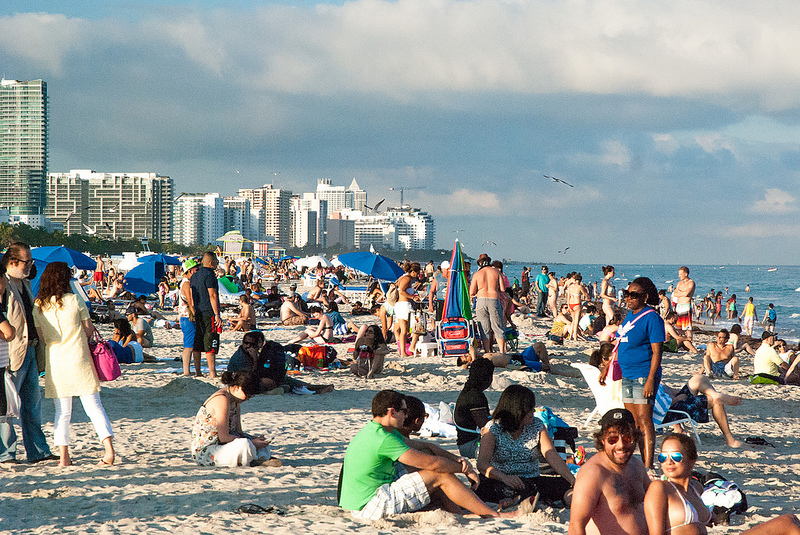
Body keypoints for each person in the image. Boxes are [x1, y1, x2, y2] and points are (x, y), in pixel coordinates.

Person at [339, 390, 523, 521]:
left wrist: (459, 460)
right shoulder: (383, 439)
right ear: (391, 412)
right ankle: (493, 515)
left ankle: (461, 509)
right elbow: (433, 465)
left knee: (428, 459)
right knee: (439, 475)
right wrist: (464, 470)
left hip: (366, 496)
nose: (406, 416)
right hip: (368, 506)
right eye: (404, 411)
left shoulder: (378, 430)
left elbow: (426, 446)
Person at [32, 262, 115, 467]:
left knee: (62, 412)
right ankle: (109, 451)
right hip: (79, 357)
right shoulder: (75, 300)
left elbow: (41, 337)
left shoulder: (39, 305)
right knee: (94, 407)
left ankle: (64, 457)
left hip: (56, 361)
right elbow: (88, 330)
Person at [0, 243, 56, 464]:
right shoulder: (3, 283)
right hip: (11, 352)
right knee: (8, 407)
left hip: (30, 349)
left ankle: (37, 451)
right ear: (12, 262)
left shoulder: (25, 283)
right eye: (27, 261)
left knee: (32, 406)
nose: (31, 265)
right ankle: (6, 453)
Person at [476, 385, 575, 507]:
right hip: (500, 479)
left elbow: (551, 454)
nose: (533, 412)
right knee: (496, 489)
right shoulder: (493, 428)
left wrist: (572, 480)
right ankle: (519, 501)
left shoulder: (537, 425)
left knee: (562, 485)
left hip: (531, 479)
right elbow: (482, 464)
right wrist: (505, 478)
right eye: (529, 409)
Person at [568, 408, 650, 535]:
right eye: (613, 439)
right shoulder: (593, 473)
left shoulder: (636, 465)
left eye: (627, 438)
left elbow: (655, 498)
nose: (621, 445)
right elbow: (576, 526)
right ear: (603, 440)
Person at [615, 277, 665, 471]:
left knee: (644, 419)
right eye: (627, 294)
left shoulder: (652, 318)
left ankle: (648, 466)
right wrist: (607, 366)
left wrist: (651, 379)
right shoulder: (630, 316)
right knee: (632, 421)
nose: (628, 298)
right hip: (627, 373)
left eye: (633, 295)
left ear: (645, 297)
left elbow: (657, 352)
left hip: (643, 373)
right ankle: (640, 461)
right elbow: (620, 343)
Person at [191, 370, 280, 467]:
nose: (248, 398)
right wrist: (252, 443)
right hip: (208, 451)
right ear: (238, 387)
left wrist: (255, 439)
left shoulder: (235, 401)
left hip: (223, 445)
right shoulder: (221, 399)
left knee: (260, 444)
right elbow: (224, 437)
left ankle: (256, 459)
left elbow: (238, 432)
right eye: (248, 395)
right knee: (245, 444)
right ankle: (253, 460)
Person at [644, 434, 710, 534]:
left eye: (676, 456)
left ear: (691, 461)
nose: (668, 462)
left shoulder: (696, 488)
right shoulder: (659, 488)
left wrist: (710, 514)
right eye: (663, 457)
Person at [454, 357, 494, 458]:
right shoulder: (474, 396)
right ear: (488, 378)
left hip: (467, 443)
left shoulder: (470, 391)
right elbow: (485, 426)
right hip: (471, 445)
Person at [191, 251, 221, 379]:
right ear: (211, 262)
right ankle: (212, 372)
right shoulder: (210, 275)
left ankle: (198, 371)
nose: (217, 264)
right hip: (208, 311)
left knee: (198, 341)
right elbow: (212, 295)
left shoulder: (194, 275)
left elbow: (192, 297)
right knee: (210, 340)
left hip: (198, 311)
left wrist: (193, 311)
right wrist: (217, 314)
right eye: (216, 262)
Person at [469, 254, 506, 354]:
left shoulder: (477, 274)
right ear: (489, 261)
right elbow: (503, 289)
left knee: (484, 328)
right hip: (494, 299)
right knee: (498, 327)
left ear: (480, 263)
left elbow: (471, 292)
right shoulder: (496, 272)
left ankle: (487, 352)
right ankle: (502, 352)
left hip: (481, 301)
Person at [178, 259, 201, 376]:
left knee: (193, 345)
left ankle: (195, 371)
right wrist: (196, 315)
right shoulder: (186, 283)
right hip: (188, 317)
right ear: (191, 271)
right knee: (189, 346)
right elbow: (191, 302)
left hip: (185, 317)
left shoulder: (186, 282)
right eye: (196, 269)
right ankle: (186, 371)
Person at [393, 262, 422, 358]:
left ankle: (403, 352)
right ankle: (411, 347)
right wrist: (412, 297)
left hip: (400, 306)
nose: (418, 275)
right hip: (404, 305)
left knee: (404, 330)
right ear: (413, 271)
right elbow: (401, 291)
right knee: (417, 326)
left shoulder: (403, 277)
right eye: (417, 273)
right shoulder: (407, 278)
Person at [672, 267, 695, 333]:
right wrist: (682, 293)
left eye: (680, 274)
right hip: (678, 306)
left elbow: (686, 293)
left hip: (686, 306)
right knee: (678, 328)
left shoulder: (691, 283)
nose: (679, 276)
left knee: (687, 328)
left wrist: (679, 292)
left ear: (686, 274)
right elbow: (675, 294)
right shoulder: (679, 283)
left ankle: (689, 338)